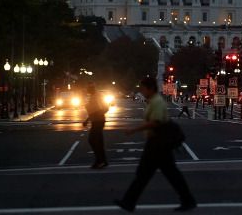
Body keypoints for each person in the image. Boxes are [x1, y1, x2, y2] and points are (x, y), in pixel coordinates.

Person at [115, 77, 196, 212]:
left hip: (158, 143)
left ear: (151, 88)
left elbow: (156, 122)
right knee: (164, 174)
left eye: (143, 88)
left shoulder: (157, 102)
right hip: (157, 143)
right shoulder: (153, 101)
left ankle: (129, 202)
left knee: (147, 174)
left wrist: (134, 130)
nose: (142, 91)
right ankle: (188, 200)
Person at [83, 83, 108, 169]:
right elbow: (92, 111)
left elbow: (105, 108)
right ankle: (102, 160)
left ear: (92, 89)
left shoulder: (97, 96)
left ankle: (100, 160)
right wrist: (87, 120)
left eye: (88, 89)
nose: (87, 90)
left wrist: (99, 113)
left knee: (94, 140)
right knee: (96, 141)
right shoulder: (92, 97)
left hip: (99, 121)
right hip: (95, 121)